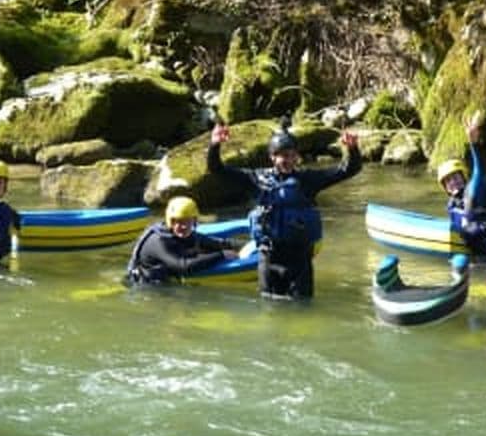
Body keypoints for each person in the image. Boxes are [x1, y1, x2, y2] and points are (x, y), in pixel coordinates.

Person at [207, 118, 361, 300]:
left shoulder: (307, 180)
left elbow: (347, 170)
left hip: (300, 257)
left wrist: (352, 149)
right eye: (283, 156)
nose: (288, 160)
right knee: (270, 305)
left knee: (302, 306)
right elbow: (217, 170)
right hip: (270, 256)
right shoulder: (257, 179)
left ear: (297, 156)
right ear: (272, 157)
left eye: (292, 155)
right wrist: (215, 145)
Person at [436, 112, 486, 259]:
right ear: (444, 187)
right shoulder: (453, 204)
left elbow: (480, 169)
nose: (453, 182)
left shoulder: (474, 190)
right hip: (477, 251)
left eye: (456, 177)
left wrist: (473, 144)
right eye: (448, 180)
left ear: (464, 178)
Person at [126, 196, 239, 287]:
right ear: (171, 221)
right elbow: (182, 266)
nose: (183, 226)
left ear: (194, 221)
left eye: (187, 221)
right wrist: (221, 255)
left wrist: (240, 247)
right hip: (145, 288)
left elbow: (219, 244)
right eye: (178, 222)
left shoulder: (187, 235)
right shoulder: (158, 241)